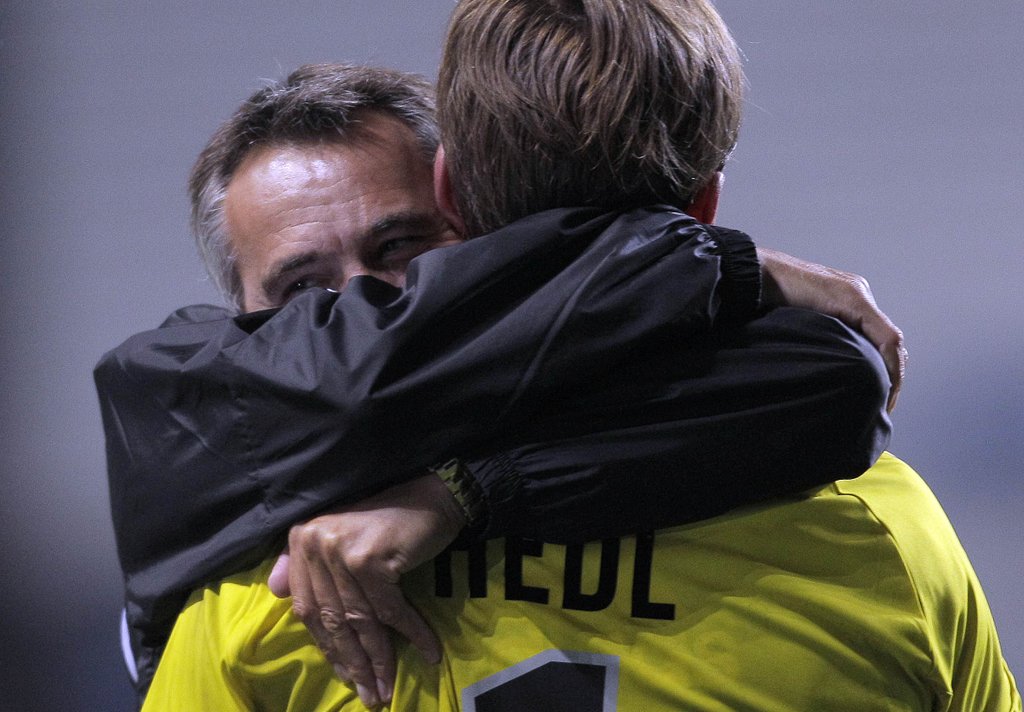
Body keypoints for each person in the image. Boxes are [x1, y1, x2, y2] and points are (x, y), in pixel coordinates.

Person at [137, 0, 1018, 709]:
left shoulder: (268, 592)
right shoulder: (874, 530)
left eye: (401, 250)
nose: (365, 312)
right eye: (304, 292)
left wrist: (464, 492)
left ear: (459, 208)